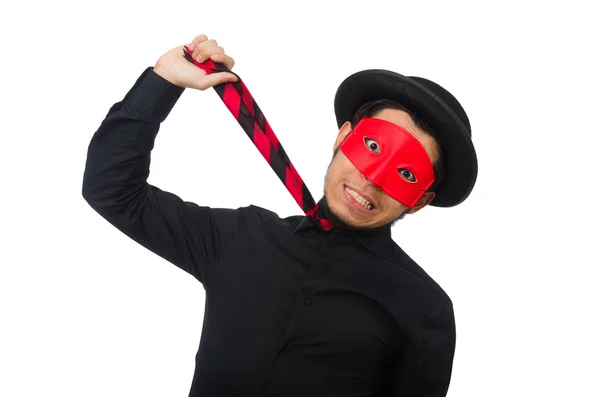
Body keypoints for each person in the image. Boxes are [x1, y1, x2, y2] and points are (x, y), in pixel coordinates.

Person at [82, 33, 478, 397]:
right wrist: (163, 81)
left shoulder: (427, 310)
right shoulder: (239, 237)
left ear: (421, 200)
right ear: (343, 136)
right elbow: (112, 191)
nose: (371, 179)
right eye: (373, 146)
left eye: (405, 173)